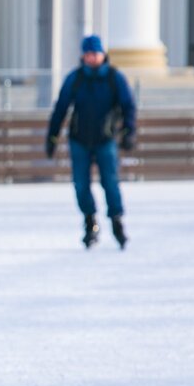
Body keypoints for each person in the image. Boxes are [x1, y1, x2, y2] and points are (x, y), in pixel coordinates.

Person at [46, 34, 137, 249]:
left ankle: (117, 222)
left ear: (103, 54)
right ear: (83, 56)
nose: (92, 58)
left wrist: (128, 131)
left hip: (105, 139)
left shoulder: (114, 78)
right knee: (80, 185)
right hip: (79, 139)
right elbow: (61, 108)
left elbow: (128, 106)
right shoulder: (75, 79)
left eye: (95, 53)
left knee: (110, 183)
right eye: (88, 54)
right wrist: (52, 136)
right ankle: (90, 222)